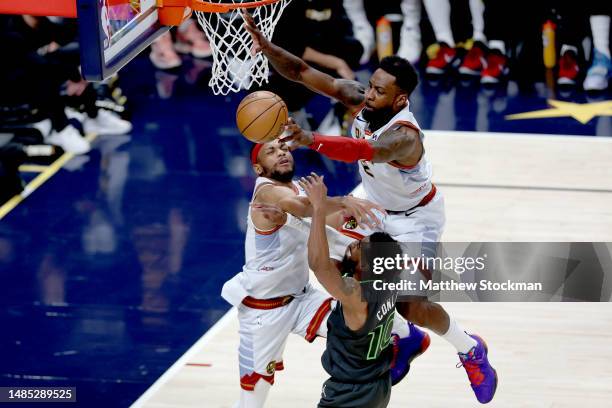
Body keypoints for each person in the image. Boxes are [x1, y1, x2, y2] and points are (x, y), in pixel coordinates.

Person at [244, 14, 498, 404]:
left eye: (380, 92)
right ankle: (405, 338)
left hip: (417, 220)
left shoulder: (404, 136)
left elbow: (365, 150)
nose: (369, 95)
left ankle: (469, 348)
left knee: (413, 304)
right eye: (371, 86)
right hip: (376, 205)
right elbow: (300, 70)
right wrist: (267, 48)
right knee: (341, 264)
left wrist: (311, 139)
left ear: (400, 99)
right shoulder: (364, 97)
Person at [222, 139, 421, 407]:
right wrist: (341, 200)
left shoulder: (292, 190)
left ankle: (408, 338)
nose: (281, 152)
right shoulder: (266, 193)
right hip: (264, 312)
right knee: (252, 399)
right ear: (258, 169)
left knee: (363, 320)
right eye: (271, 151)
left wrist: (353, 217)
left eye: (283, 148)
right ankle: (404, 340)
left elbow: (320, 219)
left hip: (302, 299)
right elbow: (307, 209)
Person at [299, 173, 428, 408]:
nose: (353, 243)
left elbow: (319, 264)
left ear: (366, 265)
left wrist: (318, 208)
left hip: (351, 393)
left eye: (359, 246)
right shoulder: (389, 282)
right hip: (378, 386)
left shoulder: (355, 293)